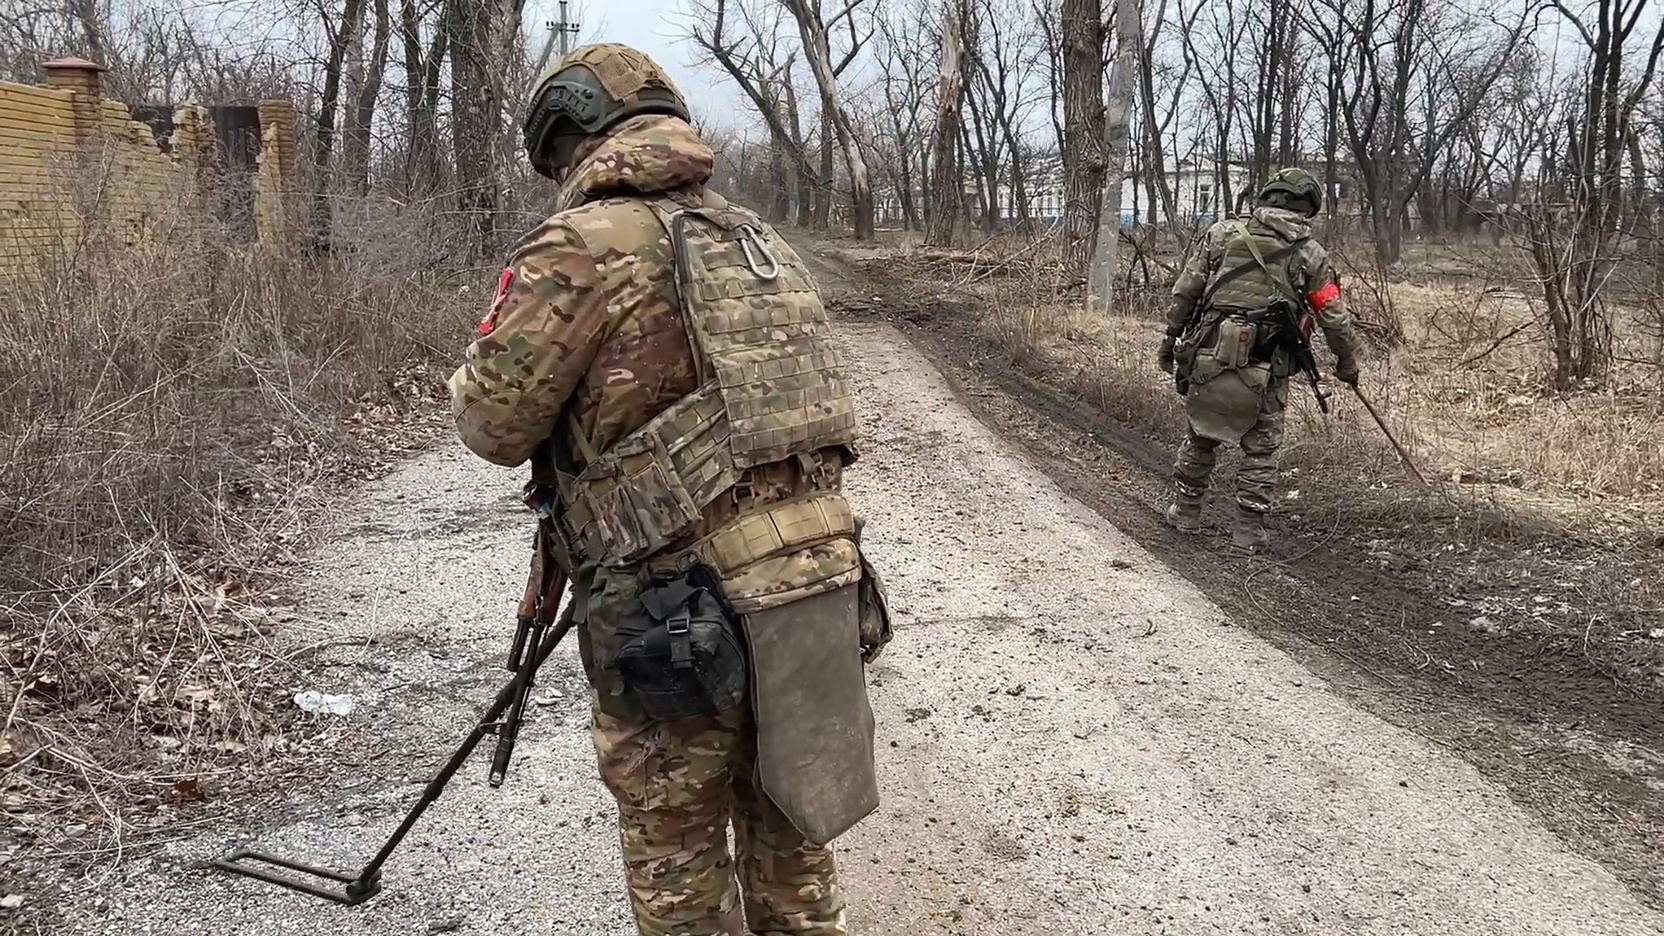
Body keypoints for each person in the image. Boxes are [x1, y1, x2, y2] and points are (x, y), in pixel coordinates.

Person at [446, 43, 892, 936]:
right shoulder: (755, 237)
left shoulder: (581, 243)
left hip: (677, 610)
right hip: (813, 581)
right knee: (795, 842)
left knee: (680, 869)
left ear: (565, 133)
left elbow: (492, 427)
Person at [1157, 167, 1362, 553]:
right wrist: (1346, 363)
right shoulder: (1310, 254)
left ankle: (1185, 513)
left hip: (1210, 353)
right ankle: (1248, 532)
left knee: (1201, 433)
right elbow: (1332, 316)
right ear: (1308, 208)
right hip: (1269, 365)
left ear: (1267, 197)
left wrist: (1170, 339)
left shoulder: (1221, 234)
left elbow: (1186, 292)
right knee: (1262, 447)